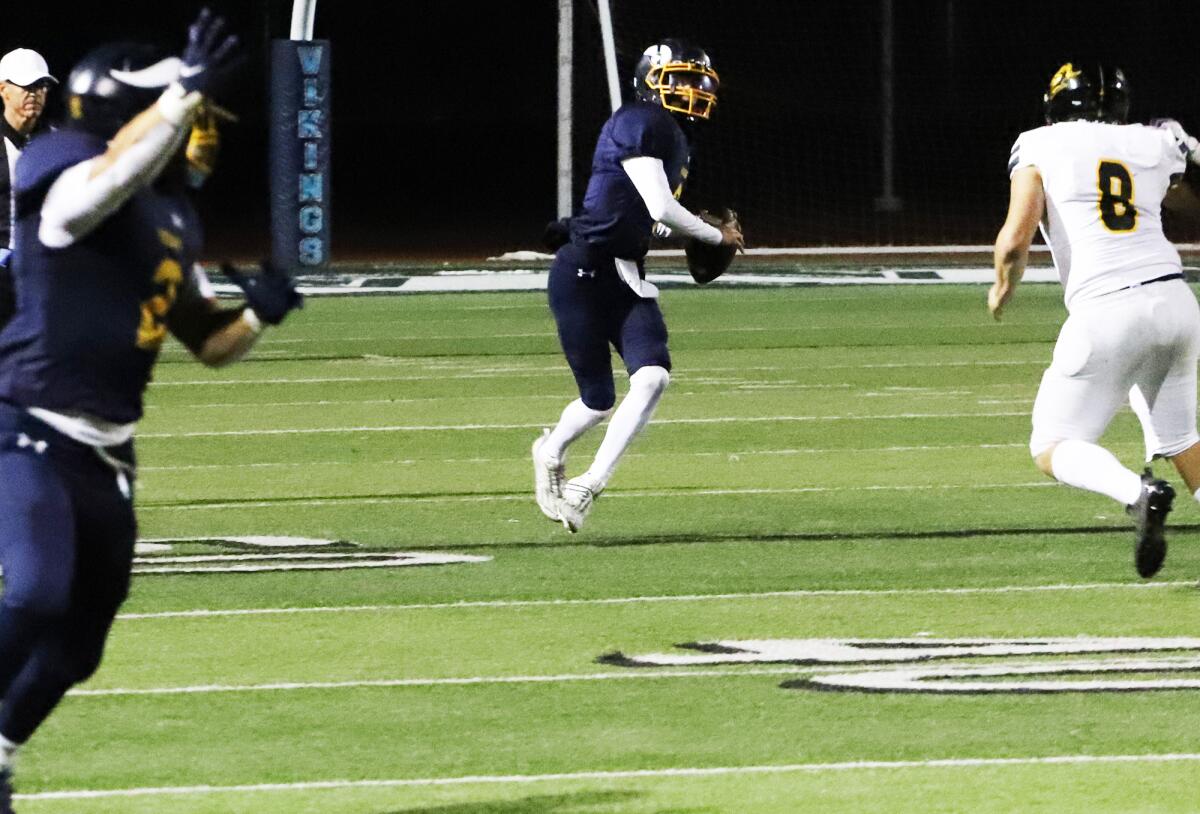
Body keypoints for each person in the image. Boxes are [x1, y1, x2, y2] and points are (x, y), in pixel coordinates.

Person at [0, 10, 302, 809]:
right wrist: (178, 97)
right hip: (29, 425)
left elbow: (209, 343)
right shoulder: (65, 166)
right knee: (33, 592)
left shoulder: (169, 216)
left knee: (80, 646)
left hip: (110, 451)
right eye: (187, 112)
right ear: (119, 109)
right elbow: (96, 190)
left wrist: (261, 316)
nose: (199, 132)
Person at [990, 62, 1200, 579]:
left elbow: (1016, 237)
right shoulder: (1154, 142)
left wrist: (1002, 286)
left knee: (1051, 444)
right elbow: (1187, 204)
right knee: (1182, 439)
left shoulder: (1039, 143)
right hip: (1175, 300)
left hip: (1107, 308)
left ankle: (1137, 493)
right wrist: (1181, 153)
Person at [532, 39, 744, 533]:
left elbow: (644, 217)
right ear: (652, 78)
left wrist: (680, 228)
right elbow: (658, 205)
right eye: (681, 79)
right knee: (597, 400)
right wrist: (716, 234)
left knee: (652, 377)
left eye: (698, 80)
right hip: (583, 273)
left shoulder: (673, 135)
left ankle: (589, 484)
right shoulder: (640, 121)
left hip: (625, 273)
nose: (692, 89)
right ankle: (551, 451)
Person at [0, 48, 55, 328]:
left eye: (40, 85)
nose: (34, 93)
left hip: (43, 269)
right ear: (3, 90)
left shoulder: (57, 142)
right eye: (26, 85)